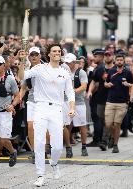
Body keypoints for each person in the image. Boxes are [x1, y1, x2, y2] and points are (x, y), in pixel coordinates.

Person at [19, 44, 75, 187]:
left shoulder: (65, 72)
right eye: (54, 51)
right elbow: (22, 77)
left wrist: (72, 108)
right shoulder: (39, 69)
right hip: (41, 107)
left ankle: (54, 163)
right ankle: (40, 174)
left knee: (57, 147)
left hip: (57, 109)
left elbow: (70, 92)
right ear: (48, 54)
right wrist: (20, 62)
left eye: (59, 51)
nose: (57, 53)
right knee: (39, 142)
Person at [104, 54, 133, 153]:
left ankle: (116, 145)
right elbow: (105, 82)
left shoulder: (128, 72)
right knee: (108, 124)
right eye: (118, 60)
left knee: (117, 124)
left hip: (122, 102)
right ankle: (112, 137)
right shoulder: (111, 71)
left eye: (121, 60)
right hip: (110, 101)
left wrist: (128, 84)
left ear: (124, 61)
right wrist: (107, 84)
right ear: (115, 61)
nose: (120, 61)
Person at [87, 50, 115, 151]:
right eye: (106, 55)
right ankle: (110, 137)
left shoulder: (116, 69)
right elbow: (94, 81)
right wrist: (89, 91)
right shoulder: (100, 69)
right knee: (101, 119)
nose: (107, 57)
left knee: (107, 121)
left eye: (109, 55)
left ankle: (104, 141)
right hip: (100, 99)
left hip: (112, 99)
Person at [64, 53, 89, 156]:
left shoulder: (81, 72)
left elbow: (83, 86)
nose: (67, 64)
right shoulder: (62, 71)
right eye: (66, 62)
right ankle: (68, 147)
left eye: (69, 63)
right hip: (66, 102)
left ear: (74, 62)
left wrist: (72, 91)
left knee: (82, 125)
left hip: (78, 102)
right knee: (66, 125)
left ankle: (84, 146)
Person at [20, 46, 42, 162]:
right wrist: (19, 98)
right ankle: (34, 152)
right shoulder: (27, 69)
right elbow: (23, 86)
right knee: (30, 126)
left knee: (43, 128)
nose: (34, 57)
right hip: (32, 101)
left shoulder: (45, 68)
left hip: (43, 102)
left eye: (36, 55)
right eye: (31, 55)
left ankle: (45, 149)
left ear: (40, 56)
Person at [86, 48, 104, 147]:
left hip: (97, 97)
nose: (94, 58)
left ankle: (97, 140)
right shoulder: (99, 67)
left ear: (101, 57)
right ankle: (98, 139)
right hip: (98, 97)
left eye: (96, 56)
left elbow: (96, 83)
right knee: (97, 118)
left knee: (96, 118)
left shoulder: (100, 68)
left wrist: (90, 93)